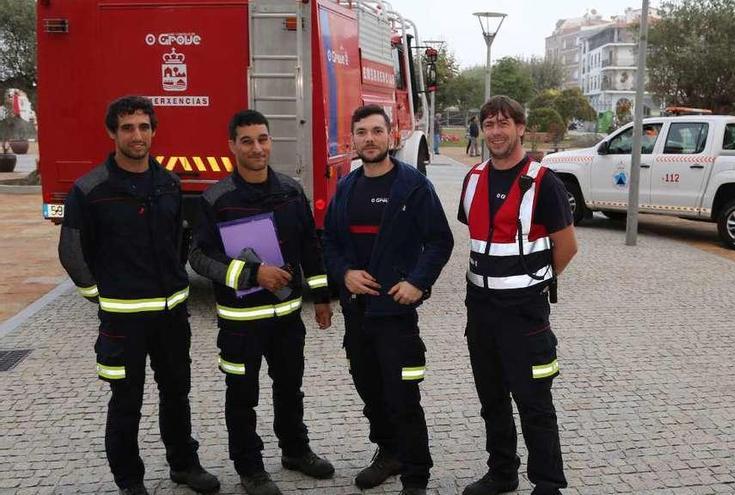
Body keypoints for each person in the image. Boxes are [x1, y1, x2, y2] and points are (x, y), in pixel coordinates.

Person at [58, 96, 219, 495]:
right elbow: (71, 250)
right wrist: (101, 295)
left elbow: (174, 242)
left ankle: (184, 465)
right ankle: (130, 481)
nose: (137, 135)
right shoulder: (90, 189)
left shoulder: (169, 183)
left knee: (176, 393)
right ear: (112, 132)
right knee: (126, 402)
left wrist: (175, 284)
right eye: (128, 127)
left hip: (171, 315)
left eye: (144, 127)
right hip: (122, 320)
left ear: (153, 132)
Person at [189, 110, 334, 495]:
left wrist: (321, 297)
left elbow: (310, 247)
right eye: (248, 140)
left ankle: (295, 451)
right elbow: (200, 258)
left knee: (290, 389)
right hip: (240, 323)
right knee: (242, 396)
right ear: (232, 146)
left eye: (263, 139)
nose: (257, 148)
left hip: (287, 319)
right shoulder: (216, 198)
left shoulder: (290, 191)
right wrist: (254, 274)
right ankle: (250, 468)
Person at [322, 104, 454, 495]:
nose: (369, 139)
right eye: (361, 132)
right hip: (357, 314)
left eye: (376, 131)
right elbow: (329, 241)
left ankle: (416, 476)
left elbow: (439, 241)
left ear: (390, 135)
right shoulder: (346, 187)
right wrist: (344, 272)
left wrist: (417, 282)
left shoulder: (412, 186)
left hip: (395, 315)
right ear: (353, 139)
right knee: (369, 389)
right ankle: (389, 451)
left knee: (402, 396)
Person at [457, 95, 578, 495]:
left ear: (521, 128)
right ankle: (502, 473)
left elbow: (567, 246)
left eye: (504, 123)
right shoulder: (473, 179)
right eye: (489, 123)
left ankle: (547, 485)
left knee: (534, 402)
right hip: (481, 309)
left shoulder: (545, 182)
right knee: (492, 399)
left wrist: (537, 280)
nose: (496, 131)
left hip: (524, 313)